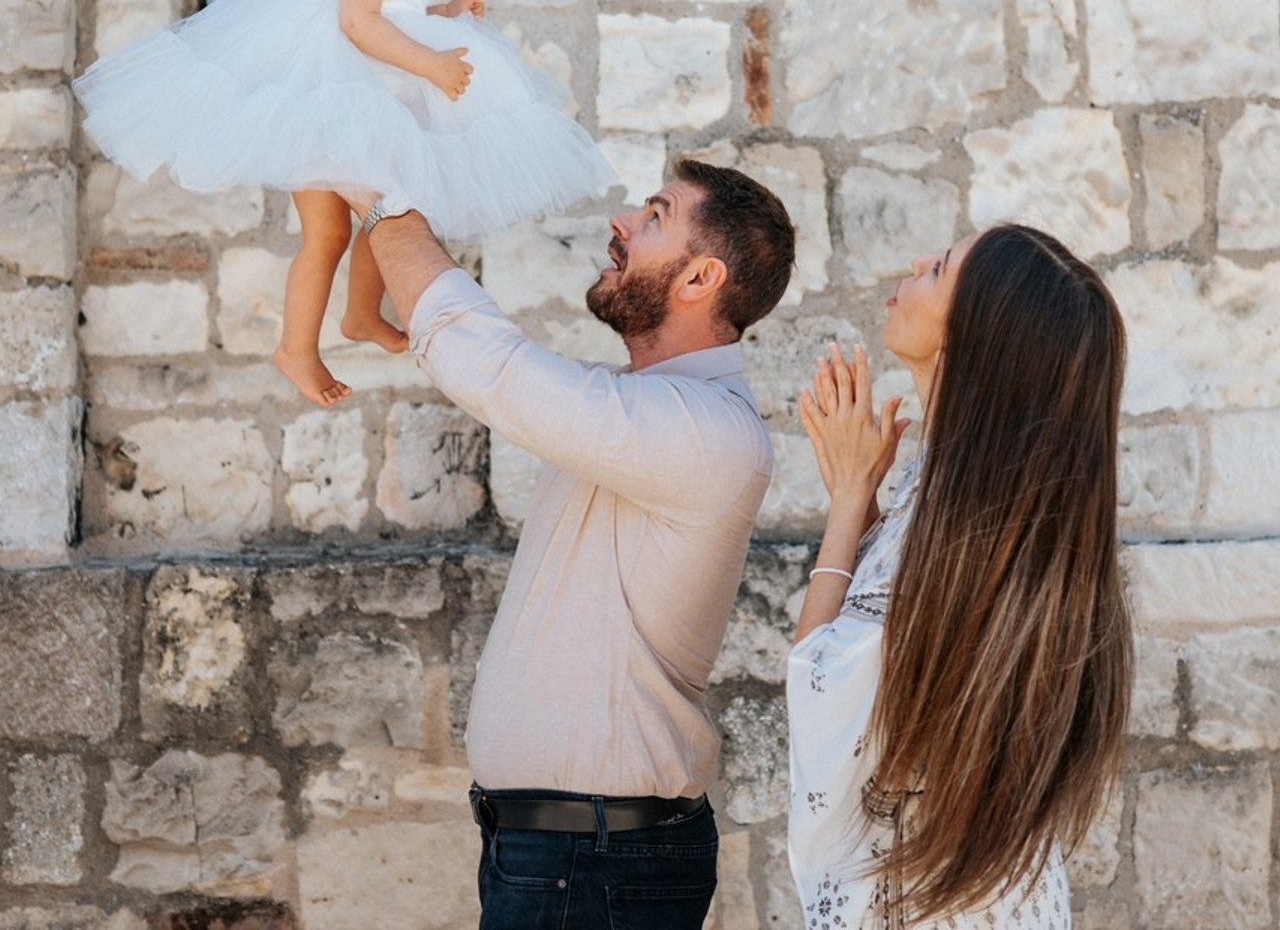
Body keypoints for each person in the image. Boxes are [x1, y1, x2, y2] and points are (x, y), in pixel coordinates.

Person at [343, 158, 795, 929]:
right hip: (565, 858)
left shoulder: (705, 432)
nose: (621, 223)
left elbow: (490, 366)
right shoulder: (645, 410)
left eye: (654, 216)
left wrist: (387, 196)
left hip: (592, 864)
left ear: (700, 278)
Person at [73, 0, 614, 407]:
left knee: (374, 210)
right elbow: (359, 26)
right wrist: (430, 64)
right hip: (320, 96)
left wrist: (444, 14)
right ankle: (298, 349)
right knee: (345, 225)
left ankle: (360, 317)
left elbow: (392, 16)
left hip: (349, 98)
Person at [788, 225, 1132, 928]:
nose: (915, 261)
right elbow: (907, 660)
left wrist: (851, 500)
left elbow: (821, 684)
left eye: (939, 268)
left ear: (972, 335)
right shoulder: (1001, 511)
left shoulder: (960, 515)